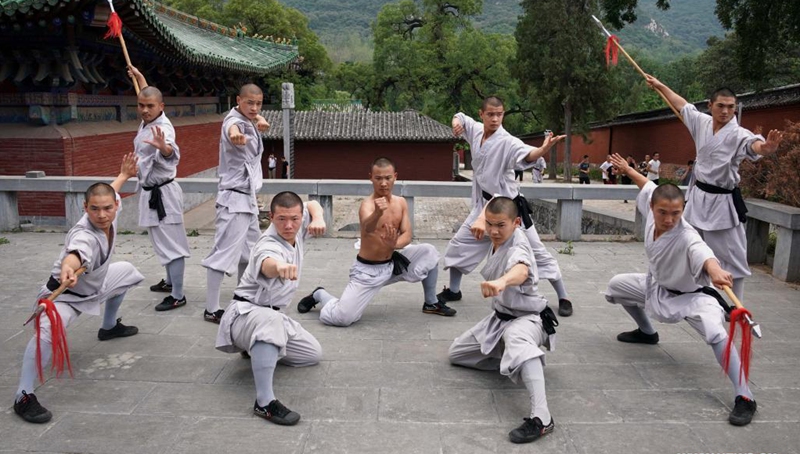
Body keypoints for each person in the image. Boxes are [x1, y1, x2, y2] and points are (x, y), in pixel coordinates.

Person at [605, 153, 758, 426]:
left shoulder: (688, 236)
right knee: (616, 286)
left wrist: (715, 270)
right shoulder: (654, 207)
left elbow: (704, 255)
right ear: (652, 208)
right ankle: (647, 332)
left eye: (676, 213)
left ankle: (745, 396)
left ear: (683, 209)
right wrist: (628, 169)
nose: (669, 219)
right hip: (657, 287)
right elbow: (647, 185)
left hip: (693, 298)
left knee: (715, 333)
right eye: (663, 212)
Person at [13, 154, 145, 423]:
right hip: (63, 296)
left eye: (107, 208)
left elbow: (112, 192)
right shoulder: (83, 233)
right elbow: (76, 252)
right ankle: (23, 395)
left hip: (95, 286)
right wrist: (68, 267)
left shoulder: (109, 208)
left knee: (128, 273)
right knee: (48, 333)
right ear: (85, 208)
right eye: (94, 209)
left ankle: (108, 327)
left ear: (116, 207)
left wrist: (123, 175)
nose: (102, 214)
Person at [646, 76, 782, 301]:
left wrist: (767, 148)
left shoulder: (738, 134)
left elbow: (754, 145)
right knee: (686, 242)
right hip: (698, 196)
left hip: (722, 202)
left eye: (731, 107)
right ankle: (686, 290)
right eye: (720, 106)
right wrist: (659, 85)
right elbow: (682, 105)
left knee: (734, 255)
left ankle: (735, 304)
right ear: (710, 106)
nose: (726, 111)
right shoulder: (701, 123)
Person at [437, 97, 574, 317]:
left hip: (508, 209)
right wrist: (456, 122)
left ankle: (564, 296)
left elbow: (526, 154)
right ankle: (453, 290)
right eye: (490, 114)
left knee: (537, 251)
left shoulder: (507, 141)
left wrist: (542, 149)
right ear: (482, 114)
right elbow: (461, 116)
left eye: (499, 114)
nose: (495, 118)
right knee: (460, 244)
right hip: (482, 205)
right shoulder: (475, 130)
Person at [296, 157, 455, 326]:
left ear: (395, 176)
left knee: (428, 251)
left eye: (388, 178)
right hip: (368, 270)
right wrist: (378, 213)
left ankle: (430, 303)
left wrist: (395, 244)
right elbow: (367, 227)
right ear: (371, 177)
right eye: (378, 178)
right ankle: (320, 294)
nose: (383, 183)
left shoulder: (401, 202)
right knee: (342, 318)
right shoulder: (367, 204)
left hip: (393, 264)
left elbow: (408, 234)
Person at [448, 196, 557, 443]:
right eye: (490, 224)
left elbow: (521, 269)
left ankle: (543, 419)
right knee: (458, 354)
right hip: (501, 318)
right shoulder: (495, 234)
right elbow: (489, 200)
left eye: (501, 225)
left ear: (516, 222)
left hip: (530, 320)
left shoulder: (519, 244)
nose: (494, 231)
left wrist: (502, 281)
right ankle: (519, 359)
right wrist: (480, 220)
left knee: (516, 336)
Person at [215, 192, 325, 425]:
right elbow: (267, 263)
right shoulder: (267, 244)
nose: (288, 225)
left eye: (295, 219)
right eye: (281, 219)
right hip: (245, 314)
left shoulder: (298, 222)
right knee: (270, 321)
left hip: (270, 314)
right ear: (271, 217)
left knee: (312, 354)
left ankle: (255, 347)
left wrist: (318, 217)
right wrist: (279, 267)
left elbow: (313, 203)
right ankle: (264, 402)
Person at [202, 84, 269, 323]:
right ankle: (211, 308)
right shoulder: (233, 122)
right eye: (249, 103)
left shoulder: (248, 117)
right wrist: (235, 134)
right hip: (234, 198)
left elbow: (245, 118)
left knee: (249, 253)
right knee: (223, 253)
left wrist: (258, 117)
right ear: (238, 100)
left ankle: (243, 298)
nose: (253, 107)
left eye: (258, 103)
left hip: (247, 199)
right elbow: (232, 127)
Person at [127, 67, 190, 312]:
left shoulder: (162, 129)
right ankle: (170, 281)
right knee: (161, 241)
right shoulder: (147, 121)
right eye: (141, 105)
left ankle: (178, 294)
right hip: (152, 192)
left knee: (172, 244)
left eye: (149, 106)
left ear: (161, 106)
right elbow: (146, 93)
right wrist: (140, 76)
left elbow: (171, 152)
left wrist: (164, 149)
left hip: (164, 194)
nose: (144, 109)